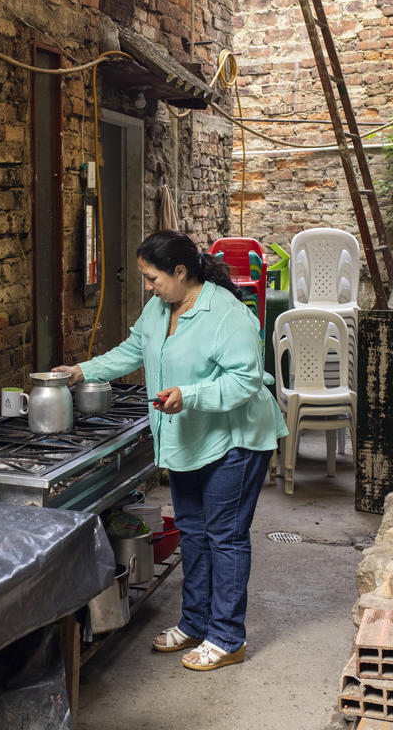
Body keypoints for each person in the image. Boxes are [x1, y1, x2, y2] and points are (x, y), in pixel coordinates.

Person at [54, 230, 287, 672]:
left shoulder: (226, 314)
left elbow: (246, 380)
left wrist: (190, 394)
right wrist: (82, 370)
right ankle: (196, 622)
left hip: (235, 438)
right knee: (193, 533)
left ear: (181, 272)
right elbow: (132, 350)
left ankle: (227, 637)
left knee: (225, 537)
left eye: (152, 277)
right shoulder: (159, 308)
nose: (148, 287)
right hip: (190, 437)